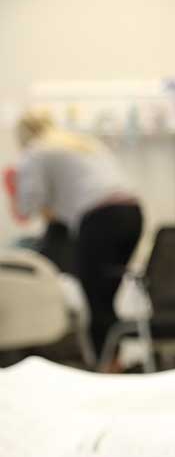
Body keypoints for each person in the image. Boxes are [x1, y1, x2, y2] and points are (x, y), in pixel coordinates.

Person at [5, 110, 143, 355]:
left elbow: (28, 206)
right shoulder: (83, 143)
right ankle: (114, 361)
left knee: (95, 300)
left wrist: (13, 187)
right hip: (132, 214)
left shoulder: (36, 151)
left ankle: (103, 366)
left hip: (100, 219)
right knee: (108, 294)